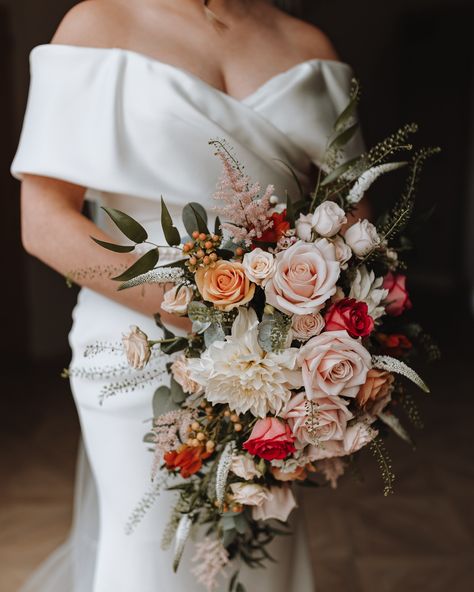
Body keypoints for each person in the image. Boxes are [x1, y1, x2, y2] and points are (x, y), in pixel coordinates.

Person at [12, 1, 365, 590]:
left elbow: (354, 217)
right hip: (137, 348)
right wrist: (210, 314)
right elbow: (43, 220)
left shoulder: (309, 46)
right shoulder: (98, 25)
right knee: (151, 551)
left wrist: (309, 328)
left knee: (262, 542)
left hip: (279, 359)